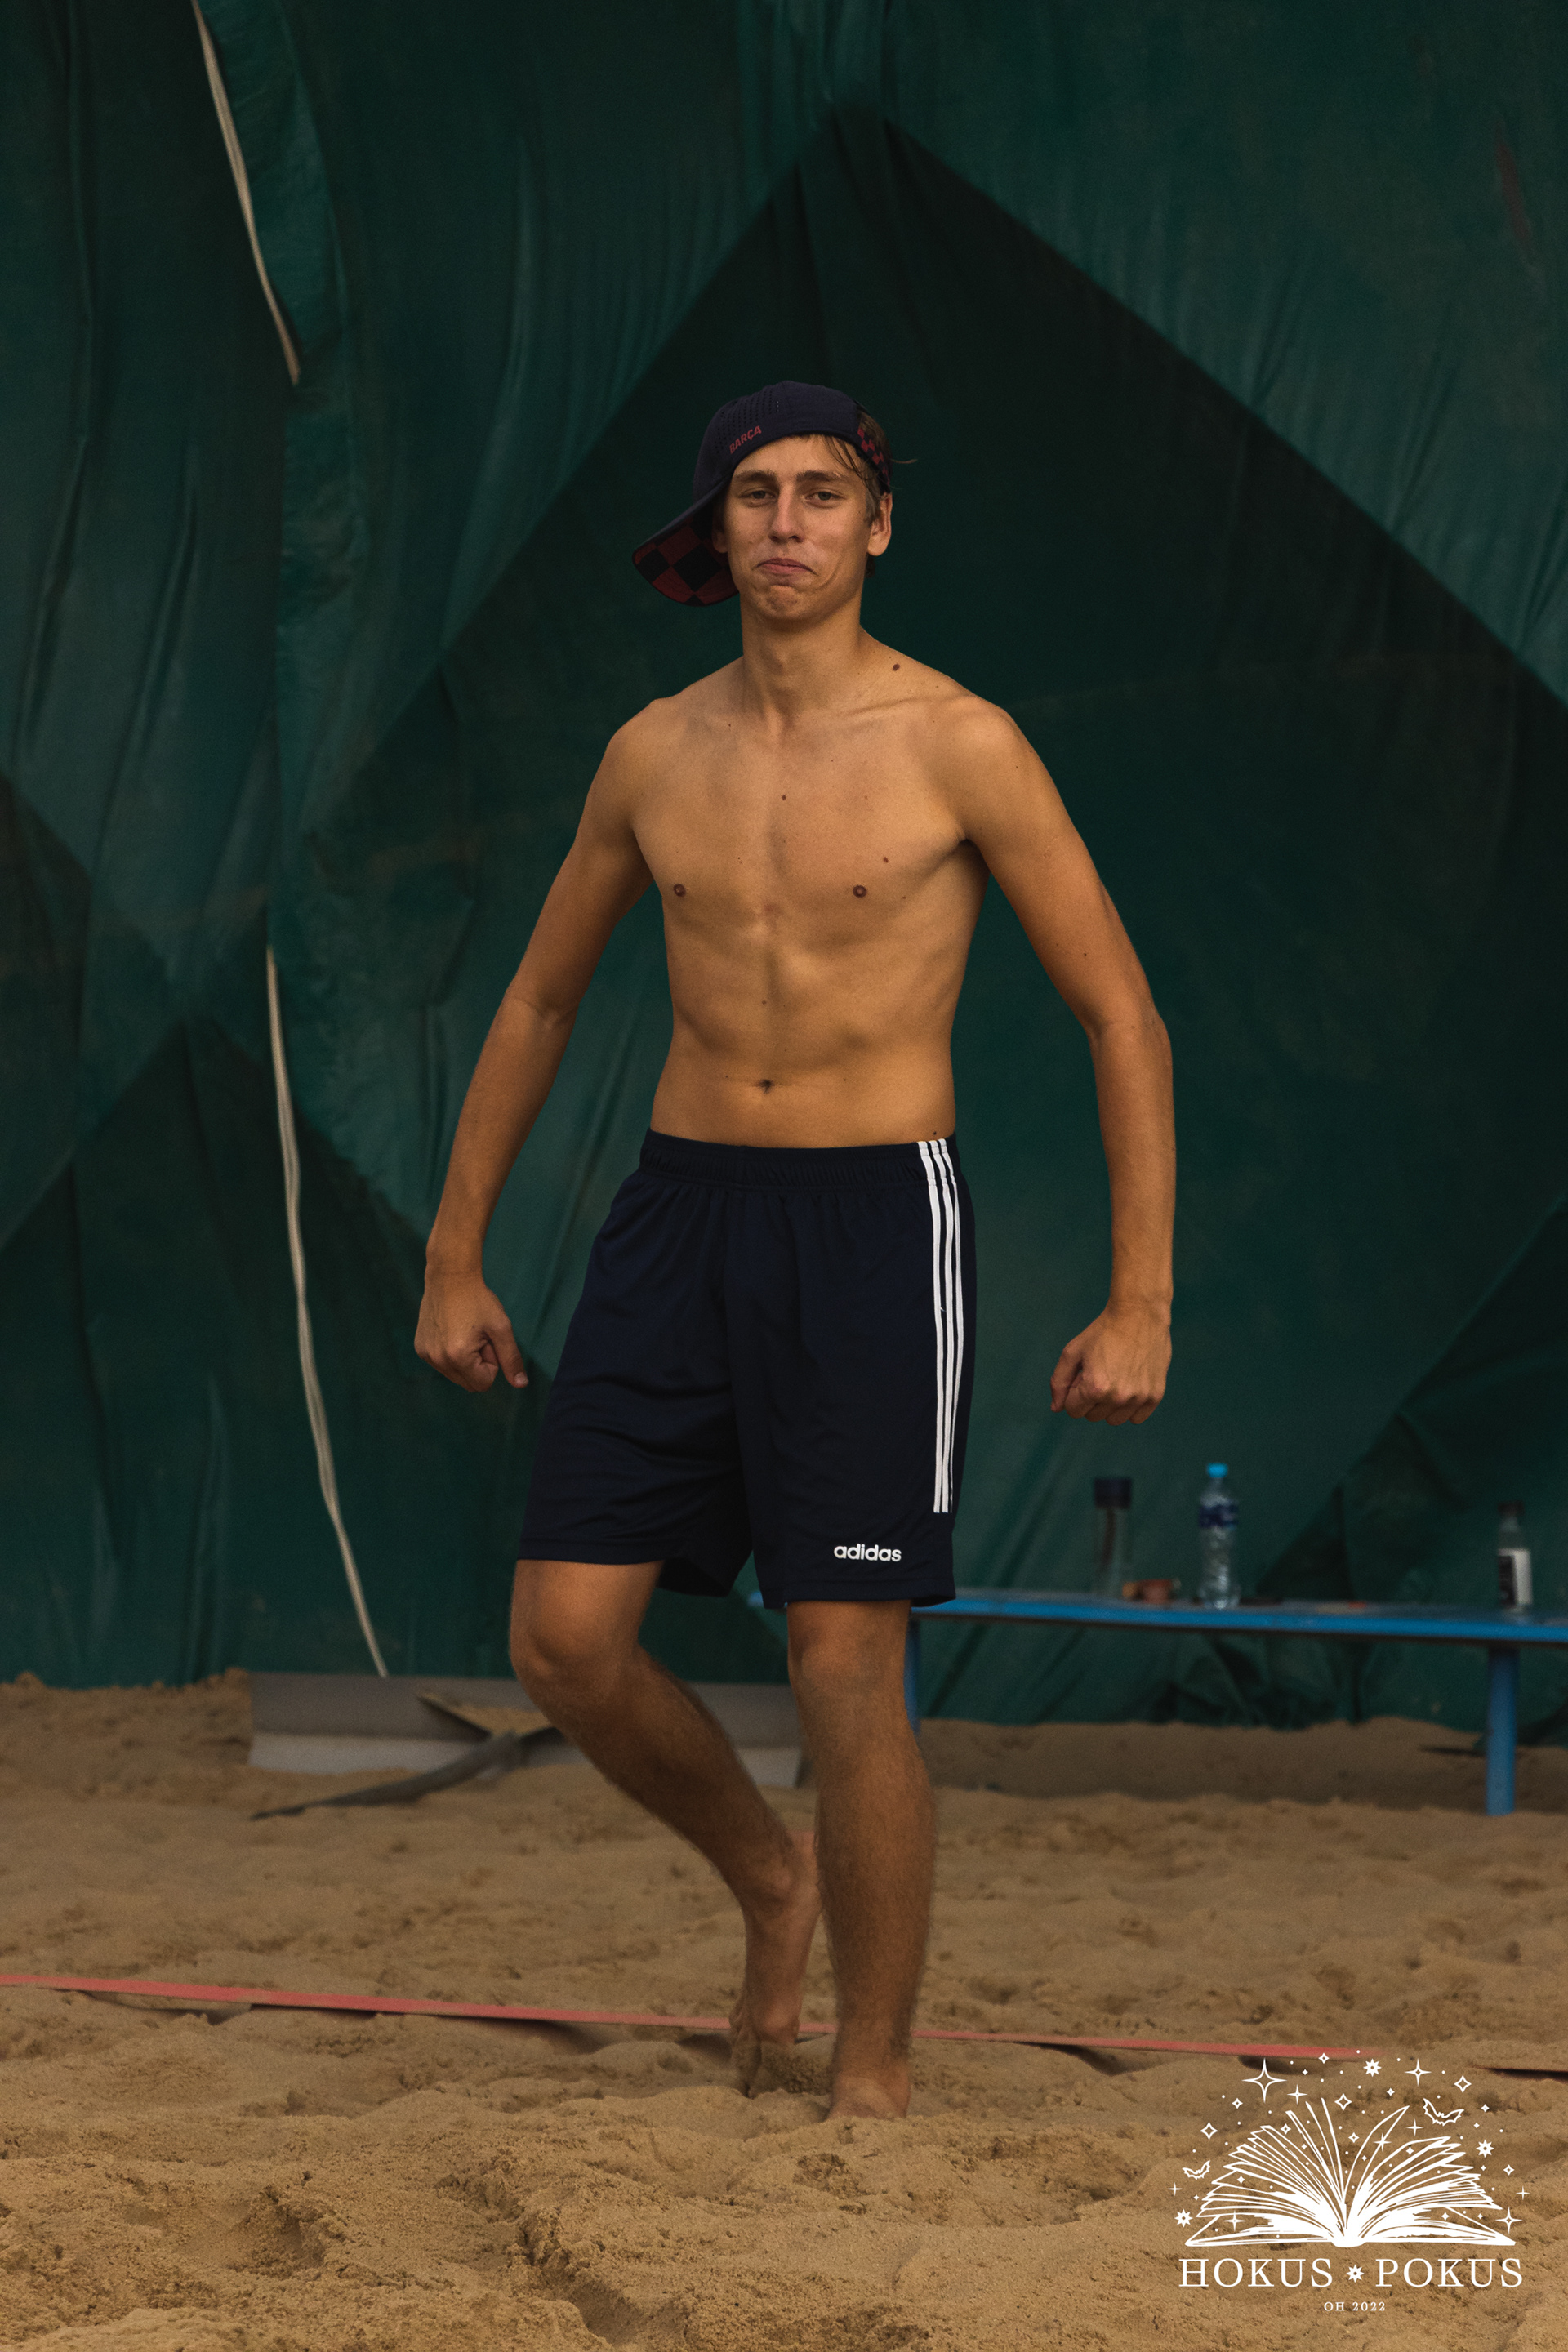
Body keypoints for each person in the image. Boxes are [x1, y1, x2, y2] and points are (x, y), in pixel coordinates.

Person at [415, 380, 1174, 2120]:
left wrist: (1140, 1297)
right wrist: (455, 1255)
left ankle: (875, 2077)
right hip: (680, 1213)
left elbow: (1119, 1014)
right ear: (718, 527)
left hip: (874, 1223)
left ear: (876, 525)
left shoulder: (961, 743)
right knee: (564, 1646)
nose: (787, 523)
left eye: (822, 493)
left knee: (843, 1661)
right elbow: (537, 1002)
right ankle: (772, 1877)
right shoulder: (652, 751)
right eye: (755, 493)